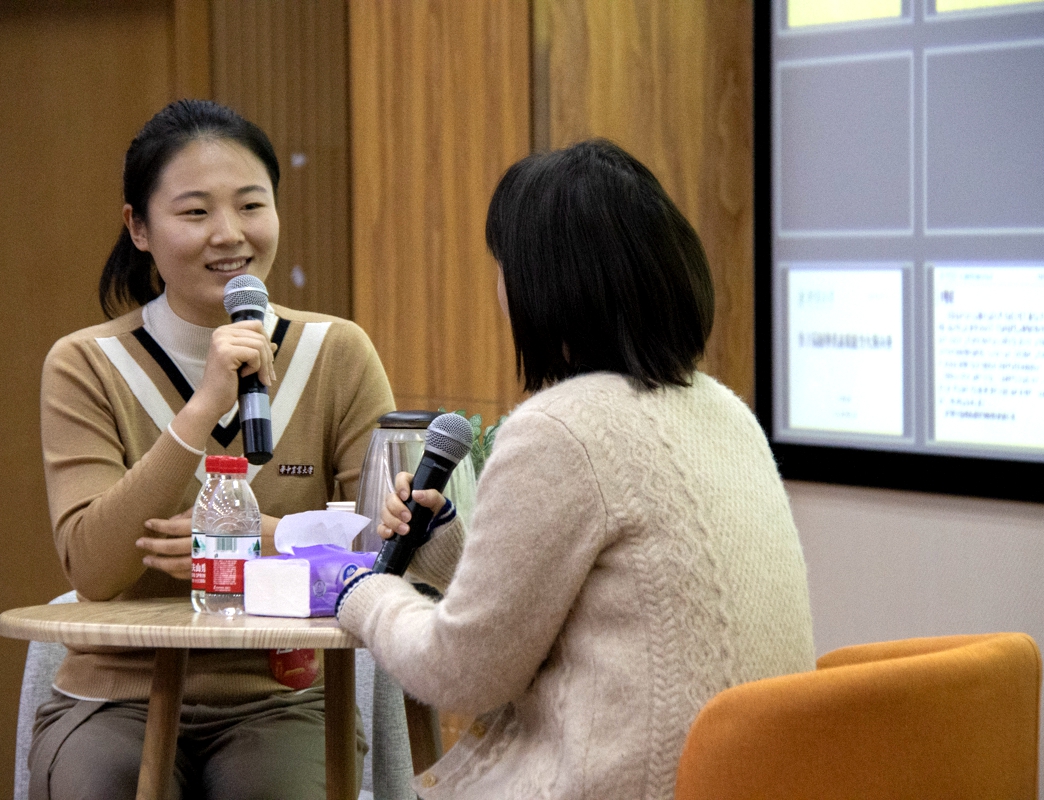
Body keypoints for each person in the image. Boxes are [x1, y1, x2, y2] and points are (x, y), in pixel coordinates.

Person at [336, 140, 815, 799]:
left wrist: (362, 592)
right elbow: (577, 608)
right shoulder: (723, 410)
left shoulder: (561, 427)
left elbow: (462, 674)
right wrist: (444, 540)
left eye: (502, 267)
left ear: (543, 284)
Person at [33, 99, 393, 800]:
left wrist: (262, 540)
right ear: (138, 227)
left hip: (283, 694)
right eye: (195, 213)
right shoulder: (84, 363)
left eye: (251, 205)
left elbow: (386, 554)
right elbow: (95, 569)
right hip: (115, 695)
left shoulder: (337, 352)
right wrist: (202, 408)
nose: (229, 235)